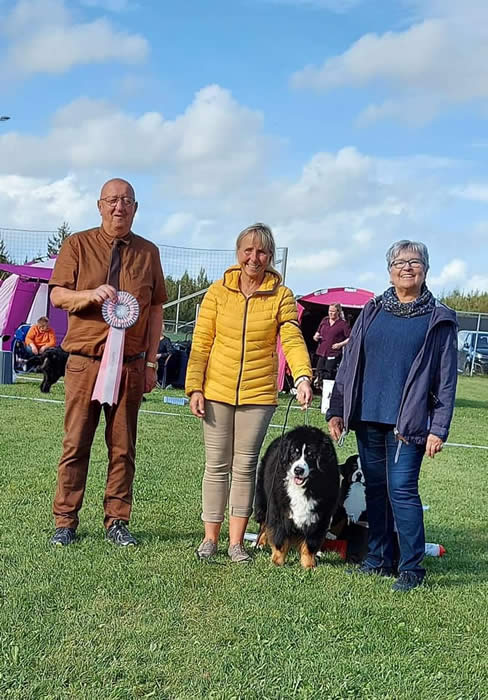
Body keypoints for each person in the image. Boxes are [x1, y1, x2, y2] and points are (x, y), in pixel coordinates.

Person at [327, 240, 457, 592]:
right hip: (368, 416)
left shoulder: (438, 318)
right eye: (399, 262)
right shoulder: (372, 310)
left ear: (426, 269)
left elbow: (446, 379)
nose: (407, 267)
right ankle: (378, 560)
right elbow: (350, 362)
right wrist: (337, 409)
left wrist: (439, 428)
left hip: (409, 424)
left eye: (415, 262)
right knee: (377, 491)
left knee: (402, 490)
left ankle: (412, 568)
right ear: (389, 270)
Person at [48, 178, 167, 547]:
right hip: (85, 363)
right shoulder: (77, 245)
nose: (120, 207)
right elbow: (57, 296)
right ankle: (65, 522)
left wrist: (150, 364)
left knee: (123, 447)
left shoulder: (149, 253)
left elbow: (156, 307)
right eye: (113, 200)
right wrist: (89, 294)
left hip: (131, 366)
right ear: (100, 206)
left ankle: (117, 520)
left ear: (136, 208)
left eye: (127, 201)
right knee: (75, 444)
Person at [185, 223, 313, 563]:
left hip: (258, 396)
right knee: (215, 466)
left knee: (244, 468)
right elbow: (200, 344)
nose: (253, 258)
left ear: (270, 256)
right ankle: (210, 538)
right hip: (216, 392)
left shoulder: (281, 296)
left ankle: (236, 543)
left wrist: (302, 376)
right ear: (238, 253)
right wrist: (194, 387)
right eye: (247, 250)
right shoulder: (217, 292)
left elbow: (292, 339)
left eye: (261, 251)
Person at [313, 303, 350, 385]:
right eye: (329, 311)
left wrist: (340, 344)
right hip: (322, 351)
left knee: (328, 373)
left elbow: (350, 338)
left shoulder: (343, 324)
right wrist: (316, 336)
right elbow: (317, 333)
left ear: (338, 312)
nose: (330, 313)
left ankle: (327, 391)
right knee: (319, 371)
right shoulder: (324, 321)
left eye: (333, 311)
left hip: (333, 352)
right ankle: (318, 384)